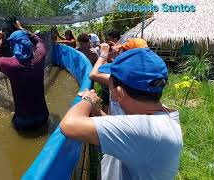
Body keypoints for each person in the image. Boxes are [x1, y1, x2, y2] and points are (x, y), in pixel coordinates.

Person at [60, 46, 183, 180]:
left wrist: (89, 99)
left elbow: (69, 125)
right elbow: (123, 128)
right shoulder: (160, 117)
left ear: (118, 93)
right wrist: (96, 111)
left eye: (110, 83)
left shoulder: (145, 131)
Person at [0, 21, 49, 131]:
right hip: (43, 117)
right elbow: (39, 41)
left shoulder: (9, 64)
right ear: (27, 42)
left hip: (23, 122)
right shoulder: (39, 57)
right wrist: (22, 29)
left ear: (12, 44)